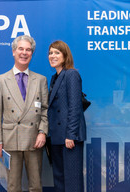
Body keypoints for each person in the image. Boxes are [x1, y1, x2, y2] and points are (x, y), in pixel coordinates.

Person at [0, 35, 48, 192]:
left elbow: (44, 109)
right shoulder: (0, 80)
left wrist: (42, 132)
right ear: (13, 52)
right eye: (21, 49)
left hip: (34, 139)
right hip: (11, 140)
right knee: (13, 186)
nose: (24, 53)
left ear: (32, 53)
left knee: (36, 186)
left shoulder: (41, 80)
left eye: (28, 50)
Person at [47, 40, 86, 192]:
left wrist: (71, 135)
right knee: (59, 180)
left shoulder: (72, 74)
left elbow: (75, 107)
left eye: (57, 52)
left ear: (65, 55)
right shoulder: (54, 77)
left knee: (72, 182)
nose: (52, 56)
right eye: (50, 53)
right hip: (56, 137)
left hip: (70, 138)